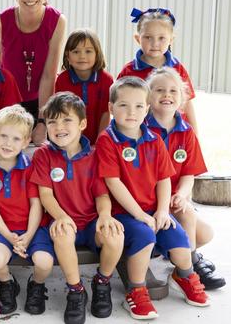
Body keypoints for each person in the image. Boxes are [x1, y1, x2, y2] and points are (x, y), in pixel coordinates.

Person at [95, 77, 209, 320]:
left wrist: (161, 211)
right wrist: (140, 215)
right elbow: (113, 183)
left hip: (152, 210)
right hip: (123, 213)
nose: (131, 112)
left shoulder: (154, 139)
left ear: (147, 109)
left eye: (139, 106)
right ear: (111, 108)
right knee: (146, 235)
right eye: (124, 105)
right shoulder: (107, 140)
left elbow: (164, 179)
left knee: (179, 239)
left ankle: (184, 275)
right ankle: (136, 291)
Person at [31, 93, 124, 324]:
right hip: (61, 218)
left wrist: (105, 215)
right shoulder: (43, 154)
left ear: (82, 124)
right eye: (52, 122)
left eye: (66, 120)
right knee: (62, 234)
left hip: (91, 220)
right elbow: (45, 194)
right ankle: (76, 290)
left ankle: (102, 282)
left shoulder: (93, 155)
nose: (58, 127)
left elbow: (102, 193)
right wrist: (61, 216)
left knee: (114, 235)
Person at [145, 68, 225, 290]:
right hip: (148, 199)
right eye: (159, 90)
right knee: (189, 217)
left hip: (173, 198)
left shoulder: (186, 132)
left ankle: (185, 261)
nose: (166, 94)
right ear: (148, 96)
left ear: (182, 97)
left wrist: (181, 195)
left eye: (173, 90)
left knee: (205, 233)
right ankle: (187, 270)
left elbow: (189, 174)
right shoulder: (141, 128)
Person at [0, 105, 54, 318]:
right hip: (3, 230)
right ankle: (7, 283)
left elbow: (37, 205)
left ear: (27, 141)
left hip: (34, 229)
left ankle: (36, 285)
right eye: (3, 136)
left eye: (16, 139)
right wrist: (9, 235)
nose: (8, 143)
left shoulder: (29, 168)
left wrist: (28, 236)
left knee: (45, 262)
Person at [0, 0, 66, 145]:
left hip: (40, 103)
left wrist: (42, 121)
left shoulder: (57, 21)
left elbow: (49, 75)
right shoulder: (0, 22)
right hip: (5, 102)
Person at [118, 7, 198, 133]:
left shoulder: (177, 68)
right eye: (148, 37)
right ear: (138, 38)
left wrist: (195, 134)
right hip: (140, 135)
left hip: (173, 133)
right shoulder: (128, 71)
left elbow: (186, 103)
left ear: (171, 39)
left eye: (161, 38)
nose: (155, 43)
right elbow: (120, 104)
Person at [54, 29, 113, 144]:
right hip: (70, 141)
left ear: (97, 53)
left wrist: (100, 142)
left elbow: (106, 114)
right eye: (76, 52)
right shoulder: (62, 80)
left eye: (88, 51)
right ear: (68, 56)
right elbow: (62, 114)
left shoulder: (106, 80)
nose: (82, 56)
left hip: (99, 139)